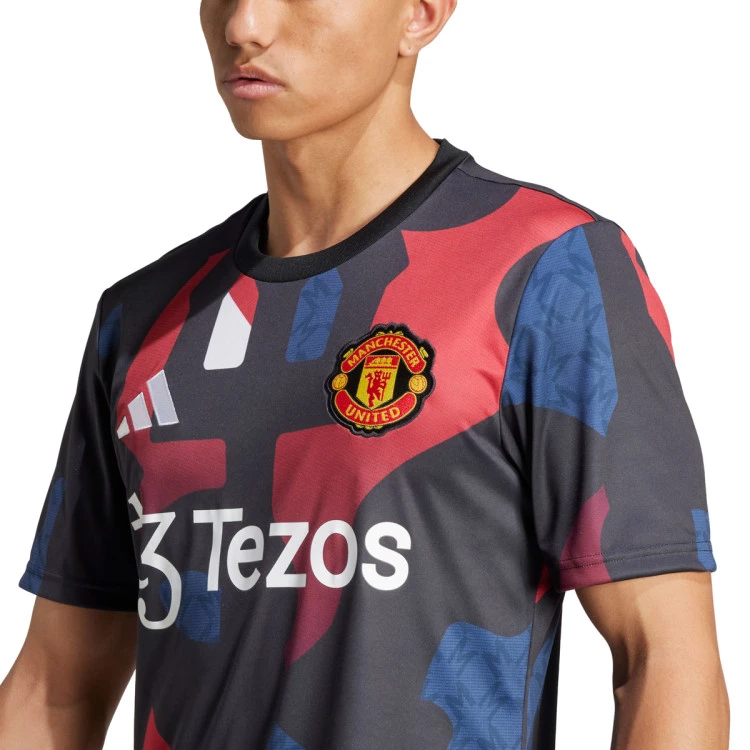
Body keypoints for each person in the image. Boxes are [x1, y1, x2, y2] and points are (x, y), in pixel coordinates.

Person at [0, 0, 730, 748]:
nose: (244, 26)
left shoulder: (546, 272)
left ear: (421, 14)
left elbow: (663, 656)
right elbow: (56, 687)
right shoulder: (144, 318)